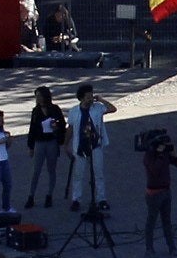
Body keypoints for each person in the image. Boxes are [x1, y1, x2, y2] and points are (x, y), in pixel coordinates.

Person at [68, 81, 112, 211]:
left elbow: (112, 109)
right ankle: (76, 199)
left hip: (95, 145)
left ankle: (101, 199)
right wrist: (66, 144)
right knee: (78, 175)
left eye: (91, 95)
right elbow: (70, 128)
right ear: (81, 98)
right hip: (80, 146)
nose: (91, 98)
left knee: (98, 173)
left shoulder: (97, 108)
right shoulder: (74, 111)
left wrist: (101, 99)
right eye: (88, 96)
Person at [140, 128, 177, 256]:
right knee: (151, 222)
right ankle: (149, 249)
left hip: (166, 191)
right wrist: (159, 155)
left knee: (167, 222)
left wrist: (175, 154)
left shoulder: (165, 153)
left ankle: (172, 247)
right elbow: (155, 170)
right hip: (153, 194)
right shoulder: (148, 156)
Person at [23, 87, 67, 208]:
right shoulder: (36, 111)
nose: (38, 98)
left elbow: (62, 124)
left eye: (40, 96)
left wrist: (56, 126)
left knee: (51, 169)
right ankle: (31, 196)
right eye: (36, 96)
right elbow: (32, 129)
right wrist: (30, 146)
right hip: (39, 142)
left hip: (52, 142)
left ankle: (49, 195)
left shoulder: (55, 109)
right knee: (36, 170)